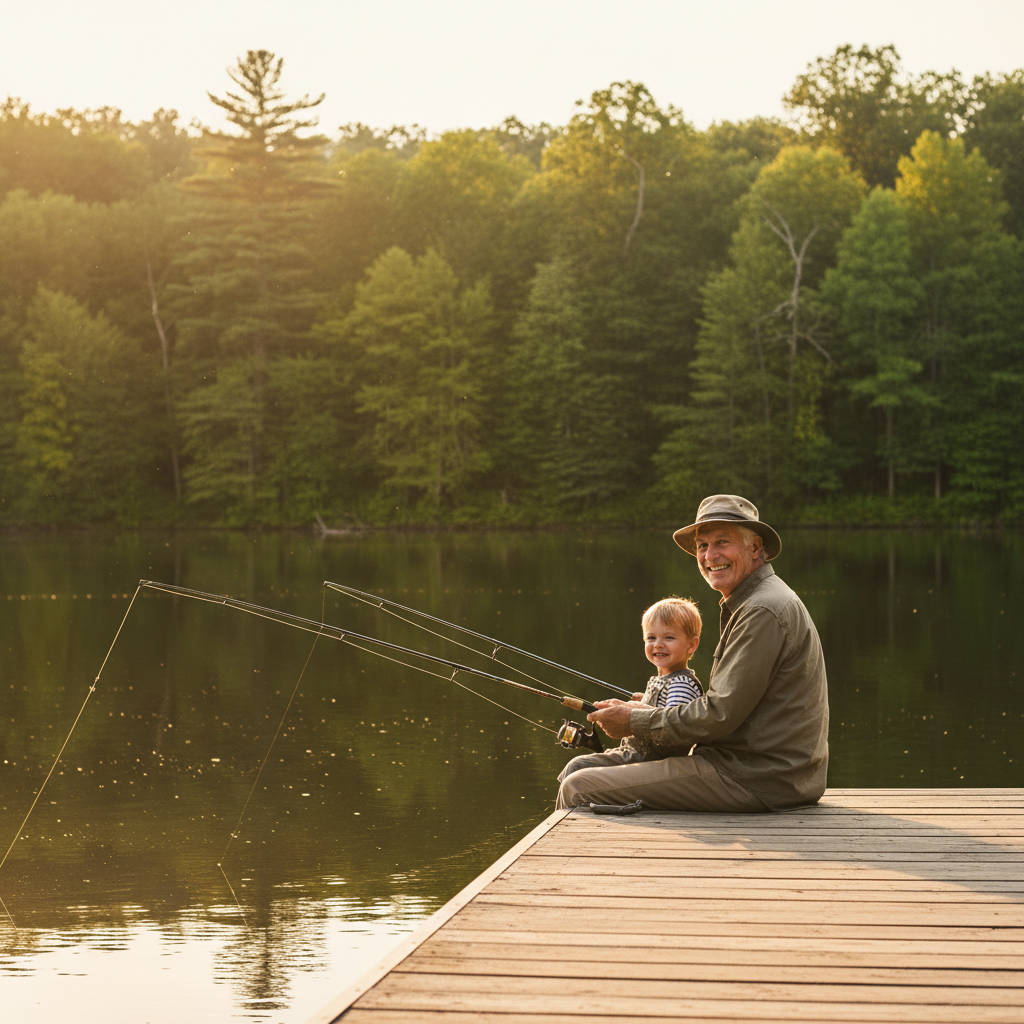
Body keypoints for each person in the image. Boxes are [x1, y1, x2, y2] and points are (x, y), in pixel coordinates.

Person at [555, 494, 828, 812]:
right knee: (581, 771)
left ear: (755, 548)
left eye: (722, 542)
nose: (710, 556)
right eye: (702, 545)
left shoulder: (762, 609)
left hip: (757, 777)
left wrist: (636, 722)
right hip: (757, 769)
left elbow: (719, 715)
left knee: (578, 786)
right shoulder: (757, 600)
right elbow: (727, 709)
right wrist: (644, 707)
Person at [558, 597, 703, 780]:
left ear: (691, 645)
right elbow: (661, 711)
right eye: (651, 637)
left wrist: (635, 711)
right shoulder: (662, 680)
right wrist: (642, 701)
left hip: (655, 763)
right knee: (581, 766)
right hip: (637, 755)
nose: (658, 644)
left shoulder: (682, 683)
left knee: (578, 767)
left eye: (669, 637)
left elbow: (671, 725)